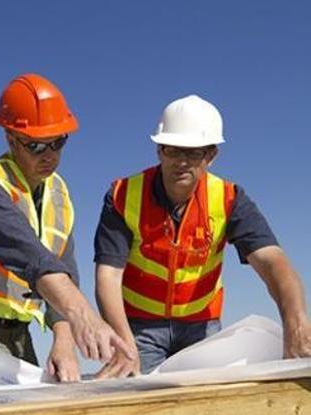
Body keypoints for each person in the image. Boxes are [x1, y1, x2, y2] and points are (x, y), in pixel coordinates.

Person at [0, 73, 133, 393]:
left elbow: (63, 267)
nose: (49, 155)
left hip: (17, 329)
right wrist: (84, 316)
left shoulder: (58, 194)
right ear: (11, 138)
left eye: (58, 142)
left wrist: (63, 338)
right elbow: (31, 257)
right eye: (36, 145)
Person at [93, 94, 311, 378]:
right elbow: (108, 276)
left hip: (202, 328)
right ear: (159, 150)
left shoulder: (230, 199)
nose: (181, 162)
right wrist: (123, 342)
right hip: (138, 327)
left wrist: (296, 322)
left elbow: (272, 261)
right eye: (173, 150)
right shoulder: (122, 195)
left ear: (211, 156)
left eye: (193, 152)